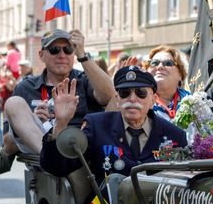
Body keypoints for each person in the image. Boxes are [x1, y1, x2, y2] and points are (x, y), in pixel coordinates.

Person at [0, 28, 115, 184]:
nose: (62, 55)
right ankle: (51, 157)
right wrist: (32, 122)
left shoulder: (85, 79)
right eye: (54, 50)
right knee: (13, 102)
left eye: (68, 49)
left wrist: (82, 55)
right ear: (41, 55)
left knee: (119, 99)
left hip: (83, 143)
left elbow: (110, 96)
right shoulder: (26, 87)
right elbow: (9, 139)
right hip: (43, 144)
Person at [41, 65, 186, 180]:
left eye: (140, 93)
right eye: (125, 93)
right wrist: (61, 123)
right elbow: (58, 168)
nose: (132, 99)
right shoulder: (97, 126)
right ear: (117, 99)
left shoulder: (174, 135)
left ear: (153, 100)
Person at [146, 45, 189, 121]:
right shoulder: (139, 104)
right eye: (154, 63)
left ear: (180, 74)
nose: (160, 67)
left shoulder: (194, 103)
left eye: (168, 63)